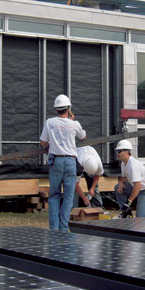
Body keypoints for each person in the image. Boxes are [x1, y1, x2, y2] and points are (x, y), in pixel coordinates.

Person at [40, 94, 86, 231]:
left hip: (56, 160)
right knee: (68, 197)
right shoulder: (74, 124)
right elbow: (83, 137)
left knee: (54, 195)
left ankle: (54, 228)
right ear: (69, 108)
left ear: (56, 109)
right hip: (71, 161)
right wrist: (72, 120)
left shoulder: (49, 122)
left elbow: (43, 142)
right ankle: (64, 227)